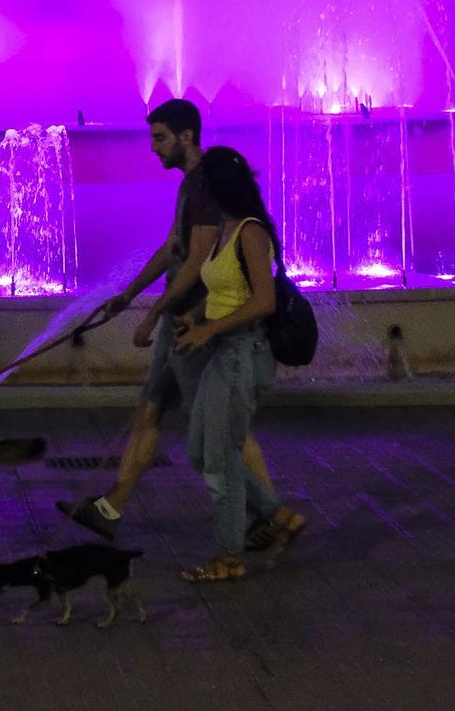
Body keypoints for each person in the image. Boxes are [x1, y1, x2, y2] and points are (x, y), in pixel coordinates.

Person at [55, 101, 289, 550]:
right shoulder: (190, 186)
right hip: (184, 316)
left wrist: (157, 312)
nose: (153, 148)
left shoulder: (204, 187)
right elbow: (174, 247)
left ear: (186, 137)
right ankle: (111, 507)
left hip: (195, 320)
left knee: (219, 424)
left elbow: (197, 260)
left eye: (160, 138)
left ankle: (272, 513)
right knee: (157, 409)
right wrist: (130, 292)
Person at [169, 146, 304, 582]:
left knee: (221, 461)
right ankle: (276, 514)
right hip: (221, 353)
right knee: (198, 451)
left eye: (202, 186)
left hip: (244, 354)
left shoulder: (250, 232)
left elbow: (263, 302)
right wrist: (196, 315)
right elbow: (228, 288)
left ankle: (229, 558)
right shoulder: (225, 231)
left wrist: (210, 329)